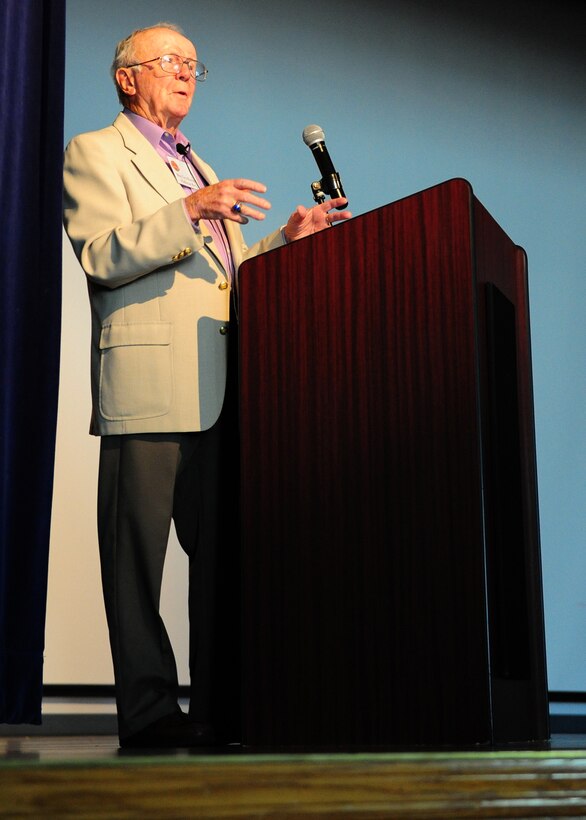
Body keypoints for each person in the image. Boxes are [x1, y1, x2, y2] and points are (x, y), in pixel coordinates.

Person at [62, 21, 351, 749]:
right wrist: (190, 209)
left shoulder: (195, 162)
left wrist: (284, 242)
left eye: (194, 64)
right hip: (148, 388)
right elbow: (102, 254)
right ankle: (152, 716)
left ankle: (222, 711)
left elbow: (216, 278)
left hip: (220, 388)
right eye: (170, 61)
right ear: (127, 76)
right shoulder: (97, 152)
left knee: (223, 565)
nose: (186, 72)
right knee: (137, 569)